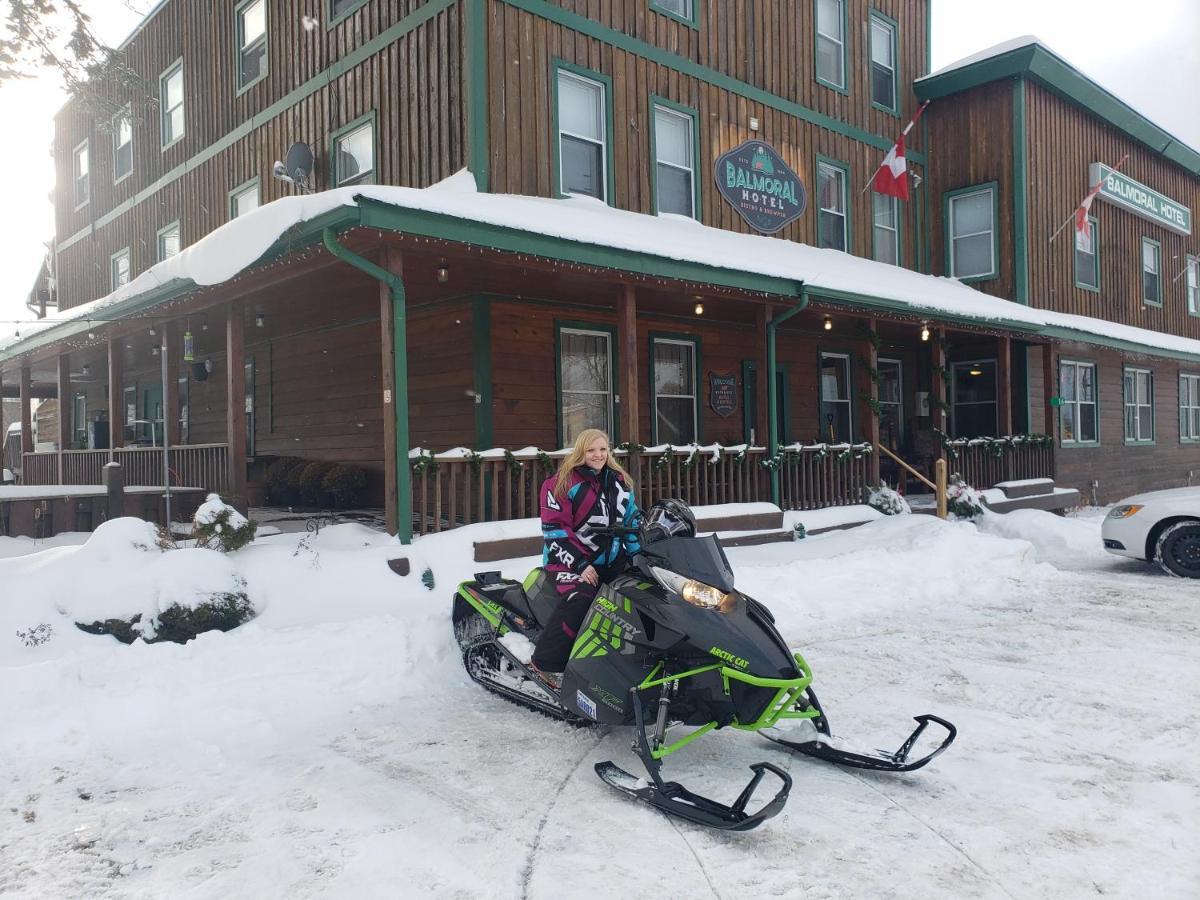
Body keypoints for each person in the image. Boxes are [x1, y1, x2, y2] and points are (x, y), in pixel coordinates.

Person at [532, 428, 641, 683]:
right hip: (566, 563)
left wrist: (642, 557)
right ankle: (545, 662)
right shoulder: (561, 483)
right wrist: (581, 565)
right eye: (591, 450)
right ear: (581, 451)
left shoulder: (620, 482)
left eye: (603, 449)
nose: (598, 455)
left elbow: (631, 522)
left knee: (642, 594)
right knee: (583, 597)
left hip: (612, 561)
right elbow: (555, 532)